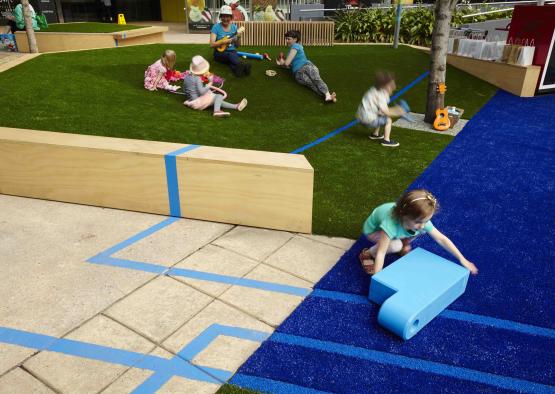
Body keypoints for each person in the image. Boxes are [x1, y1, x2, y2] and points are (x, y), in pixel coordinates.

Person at [359, 189, 479, 276]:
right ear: (404, 215)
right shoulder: (390, 224)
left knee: (420, 231)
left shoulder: (420, 221)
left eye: (426, 220)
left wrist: (462, 259)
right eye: (418, 221)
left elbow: (441, 239)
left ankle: (403, 243)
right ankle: (367, 253)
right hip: (374, 230)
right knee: (395, 246)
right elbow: (381, 252)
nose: (423, 225)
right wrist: (378, 277)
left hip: (402, 228)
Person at [276, 29, 336, 103]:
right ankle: (328, 96)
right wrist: (282, 64)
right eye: (286, 39)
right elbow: (288, 66)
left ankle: (327, 95)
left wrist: (282, 62)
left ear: (295, 39)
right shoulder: (289, 52)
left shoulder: (296, 46)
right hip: (298, 73)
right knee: (312, 84)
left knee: (316, 79)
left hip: (306, 66)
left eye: (289, 39)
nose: (287, 41)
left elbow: (287, 63)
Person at [183, 55, 247, 117]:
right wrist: (210, 82)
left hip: (191, 100)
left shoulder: (187, 76)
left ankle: (236, 106)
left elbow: (185, 90)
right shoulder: (197, 78)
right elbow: (201, 92)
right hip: (197, 103)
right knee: (219, 96)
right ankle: (217, 111)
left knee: (215, 99)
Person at [356, 71, 407, 148]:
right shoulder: (381, 96)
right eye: (391, 85)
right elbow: (386, 112)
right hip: (367, 120)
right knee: (388, 120)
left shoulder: (373, 89)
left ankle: (375, 134)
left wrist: (395, 109)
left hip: (360, 117)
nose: (394, 87)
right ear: (385, 86)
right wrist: (399, 112)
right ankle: (386, 141)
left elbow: (380, 110)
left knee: (380, 114)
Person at [209, 5, 250, 77]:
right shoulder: (216, 27)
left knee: (231, 60)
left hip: (232, 52)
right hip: (219, 53)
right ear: (220, 17)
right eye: (223, 16)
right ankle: (243, 66)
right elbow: (211, 45)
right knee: (231, 56)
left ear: (231, 17)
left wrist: (238, 37)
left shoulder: (234, 27)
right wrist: (223, 42)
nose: (225, 18)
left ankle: (238, 70)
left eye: (227, 16)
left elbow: (237, 46)